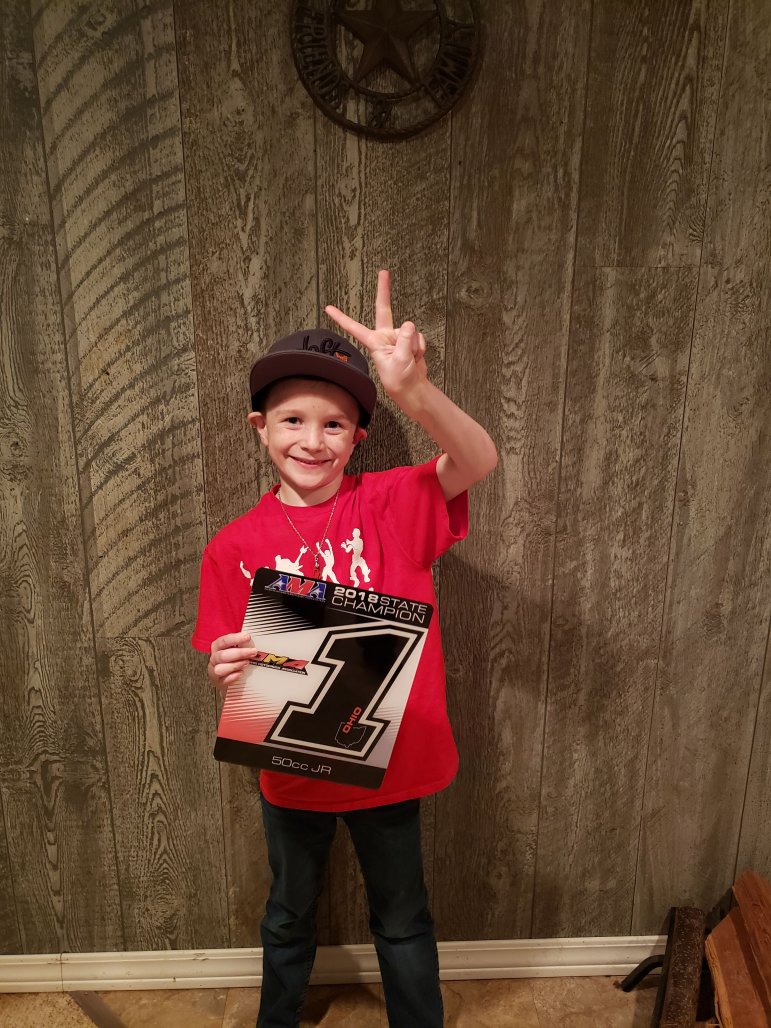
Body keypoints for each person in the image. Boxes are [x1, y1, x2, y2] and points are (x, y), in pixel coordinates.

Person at [192, 270, 497, 1027]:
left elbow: (478, 460)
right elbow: (229, 662)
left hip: (392, 767)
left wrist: (414, 393)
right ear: (259, 427)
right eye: (292, 420)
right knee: (287, 913)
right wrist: (225, 672)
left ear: (358, 438)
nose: (311, 439)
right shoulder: (232, 545)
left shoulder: (391, 502)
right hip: (291, 770)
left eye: (334, 425)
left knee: (403, 917)